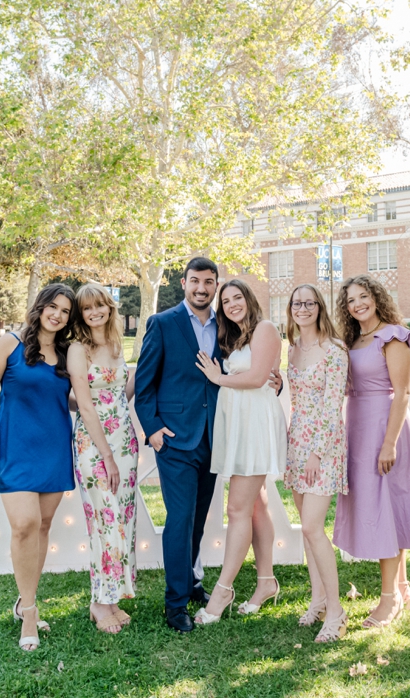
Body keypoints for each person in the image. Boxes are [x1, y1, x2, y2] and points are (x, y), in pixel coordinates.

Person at [0, 283, 76, 650]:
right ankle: (29, 613)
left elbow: (75, 399)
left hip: (54, 449)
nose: (58, 315)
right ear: (40, 306)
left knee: (44, 525)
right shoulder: (10, 343)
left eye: (65, 311)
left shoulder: (67, 352)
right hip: (14, 447)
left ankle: (24, 600)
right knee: (25, 524)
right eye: (53, 307)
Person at [332, 275, 410, 629]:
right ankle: (402, 588)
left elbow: (402, 392)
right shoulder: (352, 340)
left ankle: (388, 601)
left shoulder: (394, 336)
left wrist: (389, 443)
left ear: (376, 298)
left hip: (386, 430)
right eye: (350, 300)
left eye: (363, 297)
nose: (357, 304)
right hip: (358, 429)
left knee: (389, 509)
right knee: (378, 508)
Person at [132, 257, 224, 632]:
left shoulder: (226, 325)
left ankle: (193, 581)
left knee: (199, 519)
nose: (202, 288)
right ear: (184, 283)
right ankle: (175, 605)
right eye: (196, 281)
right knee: (181, 518)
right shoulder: (163, 323)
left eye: (209, 282)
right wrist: (152, 429)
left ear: (216, 285)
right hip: (174, 439)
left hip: (215, 437)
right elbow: (144, 383)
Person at [192, 279, 288, 624]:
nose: (232, 304)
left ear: (249, 299)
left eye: (237, 298)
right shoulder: (232, 338)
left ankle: (223, 590)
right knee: (256, 506)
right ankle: (266, 582)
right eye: (226, 300)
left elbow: (259, 376)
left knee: (237, 508)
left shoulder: (264, 328)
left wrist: (218, 379)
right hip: (239, 423)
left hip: (256, 424)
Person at [67, 282, 140, 633]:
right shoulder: (78, 350)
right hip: (95, 448)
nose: (95, 312)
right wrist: (108, 456)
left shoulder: (115, 344)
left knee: (122, 522)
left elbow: (120, 394)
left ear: (110, 307)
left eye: (100, 305)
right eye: (87, 308)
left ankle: (112, 599)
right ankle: (98, 602)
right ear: (81, 314)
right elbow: (85, 405)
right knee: (103, 523)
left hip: (125, 443)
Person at [284, 283, 349, 643]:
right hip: (296, 443)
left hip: (322, 448)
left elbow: (331, 405)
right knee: (305, 530)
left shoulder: (334, 350)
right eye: (297, 303)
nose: (303, 308)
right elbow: (298, 398)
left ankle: (337, 612)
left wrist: (316, 454)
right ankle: (318, 599)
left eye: (309, 303)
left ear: (319, 308)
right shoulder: (293, 349)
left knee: (312, 527)